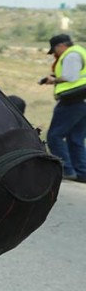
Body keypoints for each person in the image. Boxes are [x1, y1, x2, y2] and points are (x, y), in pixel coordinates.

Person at [39, 34, 86, 182]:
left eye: (54, 51)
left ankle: (67, 169)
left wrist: (53, 80)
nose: (54, 54)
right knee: (75, 138)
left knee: (54, 136)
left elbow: (70, 77)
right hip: (82, 101)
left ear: (61, 46)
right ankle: (82, 172)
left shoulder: (71, 55)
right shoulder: (80, 51)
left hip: (72, 101)